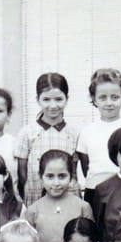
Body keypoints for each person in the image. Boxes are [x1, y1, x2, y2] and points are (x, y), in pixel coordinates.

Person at [15, 72, 80, 206]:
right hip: (36, 198)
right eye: (46, 99)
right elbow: (22, 174)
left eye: (58, 99)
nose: (53, 105)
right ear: (38, 99)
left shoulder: (74, 133)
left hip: (68, 199)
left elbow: (73, 172)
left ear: (67, 99)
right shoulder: (27, 133)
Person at [75, 68, 121, 203]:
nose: (109, 103)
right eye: (103, 98)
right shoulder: (87, 131)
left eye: (114, 97)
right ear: (94, 99)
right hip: (94, 191)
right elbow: (86, 168)